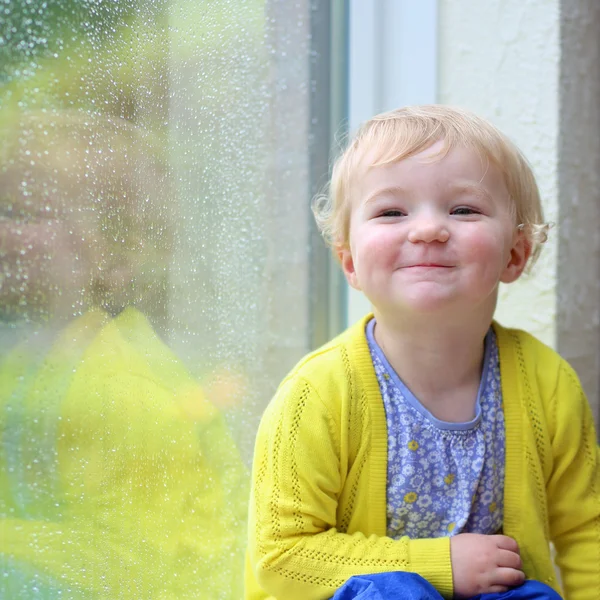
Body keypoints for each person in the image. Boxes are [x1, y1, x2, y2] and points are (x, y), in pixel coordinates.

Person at [245, 105, 600, 600]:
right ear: (350, 261)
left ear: (515, 254)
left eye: (463, 209)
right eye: (392, 212)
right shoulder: (317, 394)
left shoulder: (547, 382)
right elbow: (280, 560)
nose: (428, 229)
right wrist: (439, 565)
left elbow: (588, 534)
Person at [0, 110, 249, 598]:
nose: (3, 229)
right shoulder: (31, 355)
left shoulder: (125, 387)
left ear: (119, 258)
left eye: (25, 213)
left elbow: (148, 569)